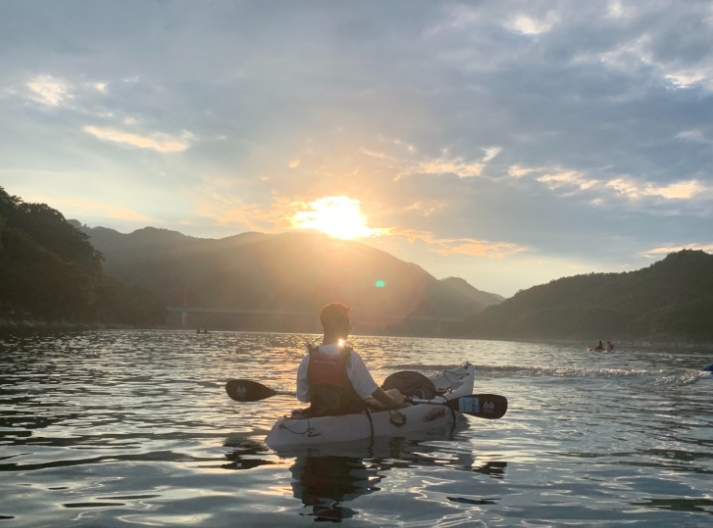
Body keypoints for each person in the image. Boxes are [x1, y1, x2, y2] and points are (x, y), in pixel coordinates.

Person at [296, 302, 408, 416]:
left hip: (320, 414)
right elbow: (373, 391)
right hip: (351, 415)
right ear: (334, 325)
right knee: (395, 395)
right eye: (346, 322)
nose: (350, 327)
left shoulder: (308, 360)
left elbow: (303, 397)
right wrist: (399, 406)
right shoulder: (351, 358)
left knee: (393, 393)